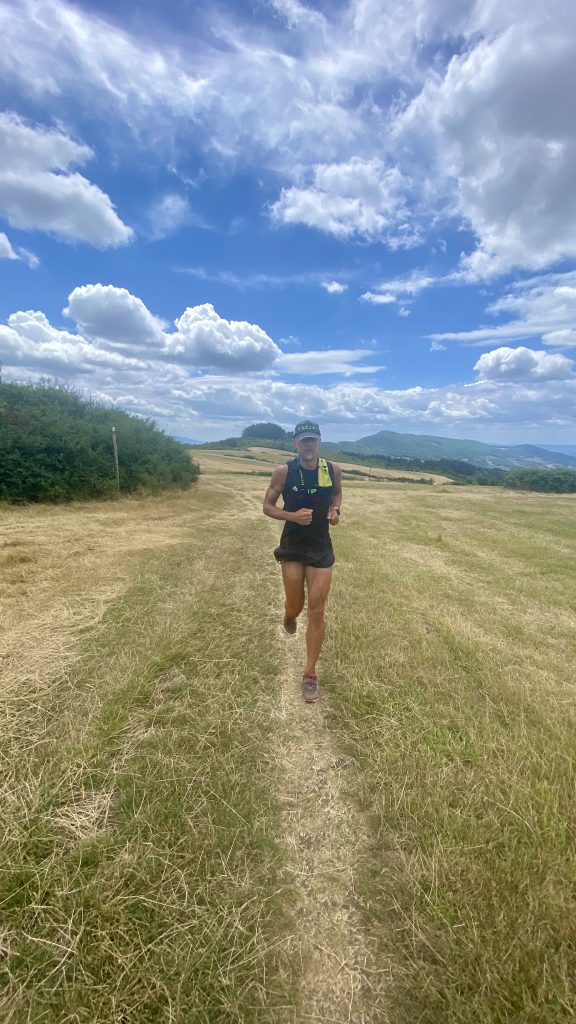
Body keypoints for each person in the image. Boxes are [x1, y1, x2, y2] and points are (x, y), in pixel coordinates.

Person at [263, 420, 342, 703]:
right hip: (293, 546)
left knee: (317, 609)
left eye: (313, 441)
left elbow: (336, 494)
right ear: (295, 444)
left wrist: (335, 510)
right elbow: (267, 507)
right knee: (296, 605)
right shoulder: (284, 472)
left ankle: (310, 674)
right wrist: (293, 516)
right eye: (303, 441)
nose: (309, 446)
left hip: (321, 548)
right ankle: (289, 613)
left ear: (319, 443)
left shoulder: (331, 470)